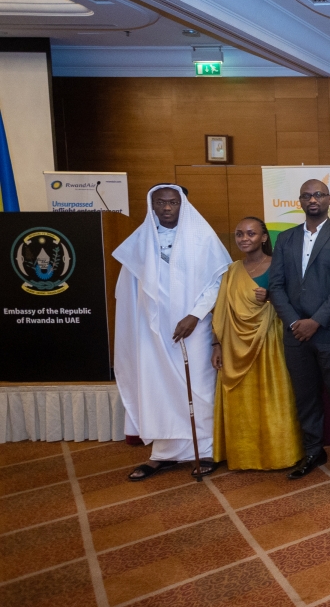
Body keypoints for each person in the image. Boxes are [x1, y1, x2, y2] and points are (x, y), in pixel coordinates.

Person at [114, 184, 231, 481]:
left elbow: (218, 282)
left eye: (173, 202)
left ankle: (206, 450)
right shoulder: (139, 242)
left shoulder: (202, 239)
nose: (167, 208)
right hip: (152, 332)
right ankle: (163, 453)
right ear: (151, 206)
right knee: (159, 387)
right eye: (161, 203)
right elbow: (127, 292)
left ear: (183, 205)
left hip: (194, 327)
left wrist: (195, 315)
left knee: (199, 388)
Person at [269, 180, 330, 481]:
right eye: (307, 195)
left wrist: (316, 321)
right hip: (295, 334)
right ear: (299, 201)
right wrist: (295, 322)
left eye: (318, 195)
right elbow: (276, 286)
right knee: (305, 396)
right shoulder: (285, 238)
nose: (312, 200)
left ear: (329, 200)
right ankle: (313, 450)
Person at [211, 217, 302, 471]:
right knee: (241, 402)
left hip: (271, 343)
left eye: (251, 234)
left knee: (275, 397)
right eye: (240, 234)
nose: (244, 239)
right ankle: (243, 455)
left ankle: (280, 453)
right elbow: (221, 310)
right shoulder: (231, 271)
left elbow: (296, 301)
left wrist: (272, 298)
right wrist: (216, 345)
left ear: (264, 237)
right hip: (234, 347)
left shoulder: (278, 266)